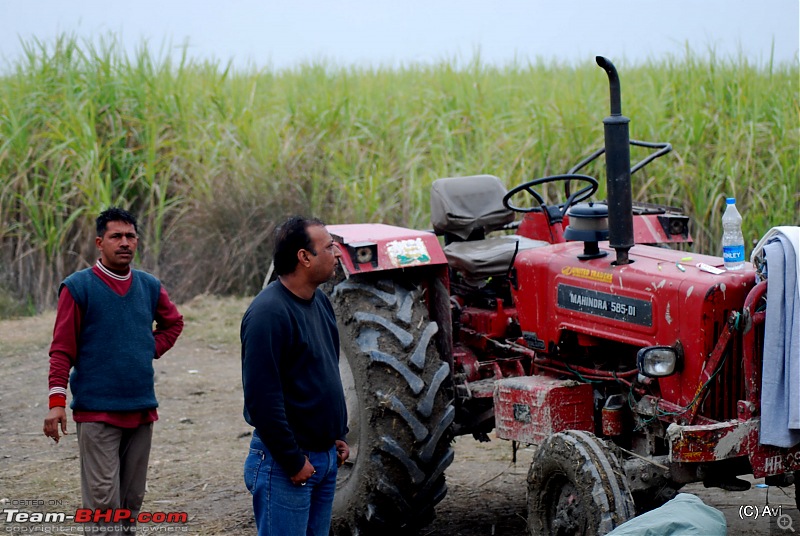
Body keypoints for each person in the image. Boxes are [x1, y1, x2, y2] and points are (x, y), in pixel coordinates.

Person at [42, 206, 184, 531]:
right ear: (99, 242)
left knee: (131, 501)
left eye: (130, 236)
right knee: (104, 504)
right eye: (116, 236)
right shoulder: (78, 287)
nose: (124, 242)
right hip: (97, 413)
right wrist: (56, 403)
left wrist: (147, 348)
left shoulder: (148, 285)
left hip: (141, 409)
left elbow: (173, 323)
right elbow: (62, 349)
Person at [241, 216, 349, 536]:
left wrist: (337, 433)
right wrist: (293, 461)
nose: (338, 253)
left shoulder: (321, 303)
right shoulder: (268, 314)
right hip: (285, 466)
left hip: (325, 457)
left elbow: (325, 371)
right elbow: (263, 400)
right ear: (304, 257)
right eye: (329, 247)